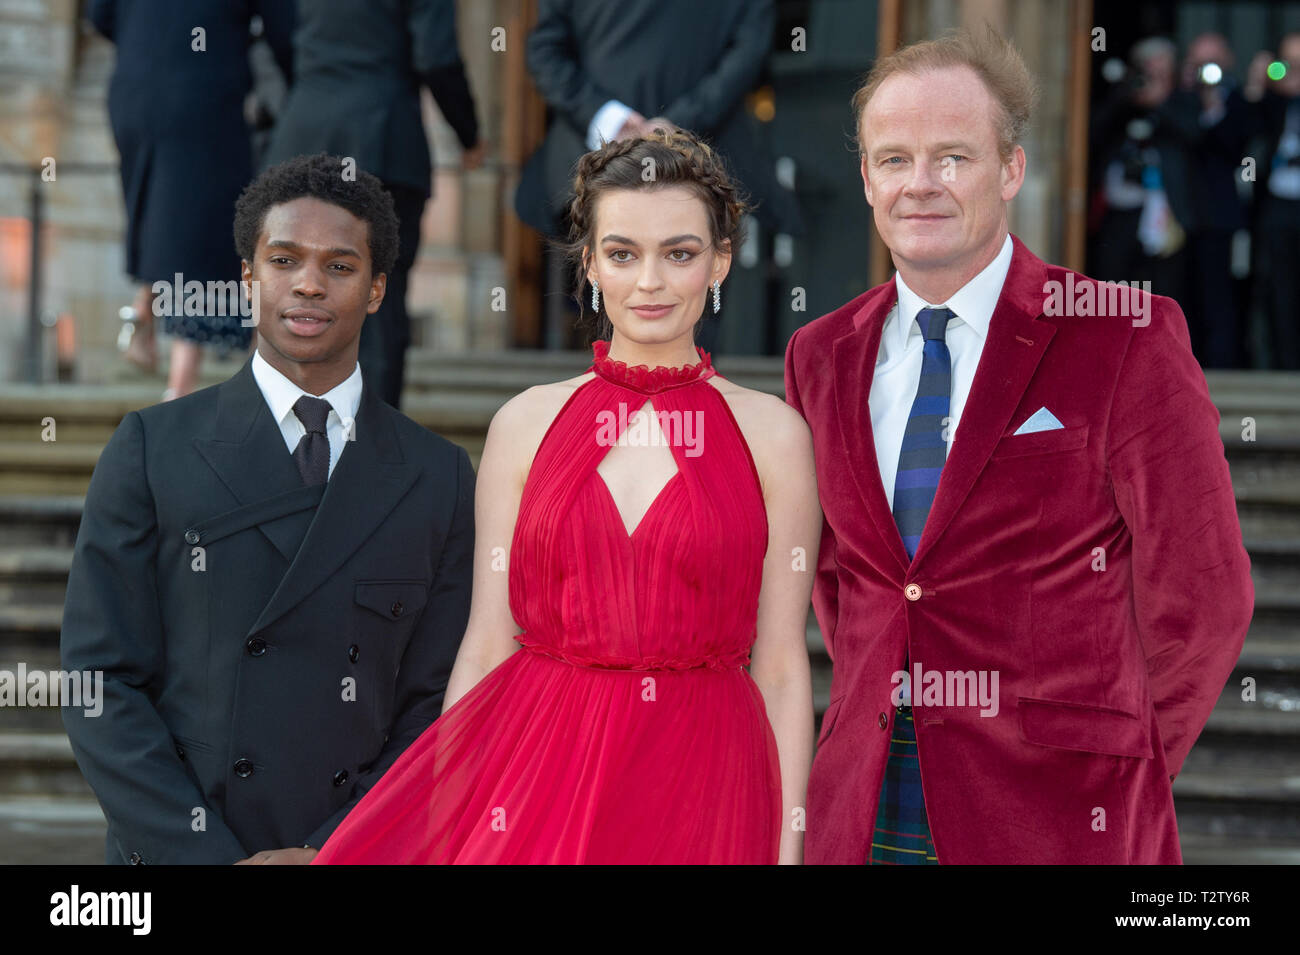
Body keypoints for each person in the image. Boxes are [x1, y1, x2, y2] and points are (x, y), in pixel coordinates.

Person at [784, 28, 1254, 864]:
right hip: (862, 807)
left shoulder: (1125, 335)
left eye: (952, 157)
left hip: (1060, 819)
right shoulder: (820, 356)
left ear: (1010, 169)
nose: (919, 185)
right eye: (894, 160)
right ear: (865, 177)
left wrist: (1119, 768)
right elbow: (845, 586)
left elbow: (1205, 595)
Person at [313, 128, 818, 864]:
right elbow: (488, 641)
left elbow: (780, 664)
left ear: (720, 261)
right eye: (622, 253)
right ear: (589, 264)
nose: (649, 282)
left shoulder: (774, 436)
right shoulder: (524, 423)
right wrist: (452, 820)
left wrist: (789, 847)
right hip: (541, 769)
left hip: (707, 779)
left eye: (678, 253)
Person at [60, 154, 474, 864]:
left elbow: (437, 702)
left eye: (339, 266)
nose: (309, 283)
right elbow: (99, 682)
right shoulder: (151, 450)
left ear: (377, 289)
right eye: (284, 259)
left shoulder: (439, 475)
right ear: (249, 278)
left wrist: (335, 850)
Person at [515, 0, 802, 353]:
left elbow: (750, 49)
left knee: (696, 321)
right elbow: (545, 48)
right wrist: (620, 119)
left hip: (708, 157)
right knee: (598, 323)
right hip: (591, 160)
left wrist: (660, 123)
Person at [264, 0, 482, 409]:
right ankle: (369, 453)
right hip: (381, 141)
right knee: (379, 302)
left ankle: (287, 440)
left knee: (290, 294)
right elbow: (437, 56)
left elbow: (274, 38)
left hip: (303, 137)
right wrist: (469, 133)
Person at [89, 0, 294, 400]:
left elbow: (99, 16)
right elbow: (285, 31)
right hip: (202, 92)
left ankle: (142, 324)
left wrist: (149, 41)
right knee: (199, 230)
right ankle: (179, 387)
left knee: (158, 211)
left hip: (133, 89)